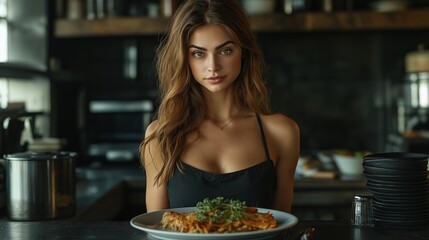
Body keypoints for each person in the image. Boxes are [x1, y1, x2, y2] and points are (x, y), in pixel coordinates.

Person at [140, 0, 300, 213]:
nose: (213, 66)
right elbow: (157, 227)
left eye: (225, 51)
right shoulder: (161, 136)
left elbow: (281, 226)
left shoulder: (281, 133)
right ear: (183, 59)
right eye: (199, 53)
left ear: (243, 51)